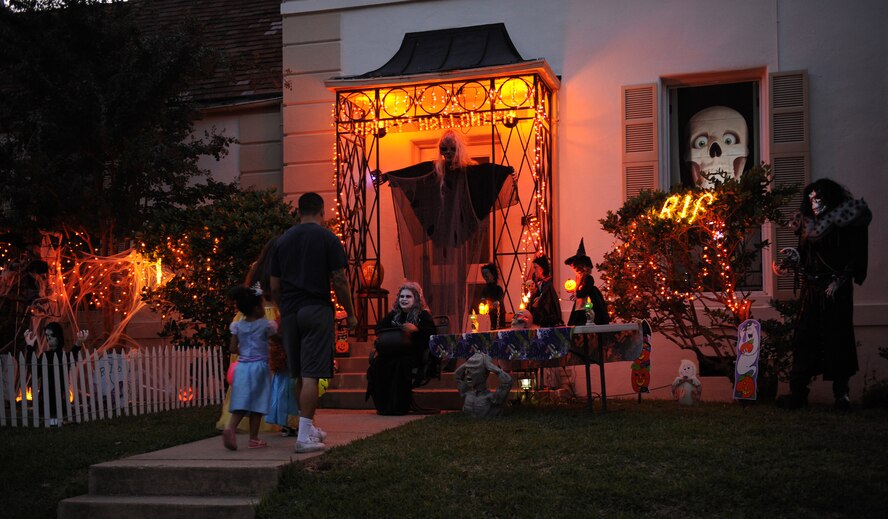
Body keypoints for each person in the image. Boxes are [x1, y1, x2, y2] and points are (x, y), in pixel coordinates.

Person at [375, 129, 516, 332]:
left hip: (459, 227)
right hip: (442, 228)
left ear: (458, 149)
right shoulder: (435, 171)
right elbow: (416, 172)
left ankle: (458, 331)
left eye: (452, 149)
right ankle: (439, 328)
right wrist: (392, 176)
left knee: (459, 280)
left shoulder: (467, 172)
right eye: (444, 149)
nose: (447, 154)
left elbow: (486, 173)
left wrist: (504, 171)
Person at [269, 192, 357, 454]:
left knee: (297, 373)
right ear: (322, 212)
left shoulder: (282, 241)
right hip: (316, 309)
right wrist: (350, 313)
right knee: (311, 374)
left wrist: (281, 308)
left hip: (291, 312)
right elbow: (339, 279)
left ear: (298, 212)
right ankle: (304, 437)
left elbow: (275, 284)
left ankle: (308, 428)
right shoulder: (328, 238)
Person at [777, 178, 871, 411]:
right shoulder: (808, 223)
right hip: (812, 289)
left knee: (838, 339)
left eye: (819, 198)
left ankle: (842, 396)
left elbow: (855, 256)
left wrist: (840, 281)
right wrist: (787, 263)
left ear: (830, 199)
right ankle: (798, 393)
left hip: (835, 290)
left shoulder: (847, 220)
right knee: (804, 338)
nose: (815, 203)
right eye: (811, 199)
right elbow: (802, 252)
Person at [216, 237, 280, 433]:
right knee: (272, 372)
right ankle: (270, 418)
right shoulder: (280, 268)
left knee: (245, 375)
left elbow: (253, 293)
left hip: (247, 318)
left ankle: (237, 418)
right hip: (269, 315)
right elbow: (277, 294)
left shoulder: (255, 268)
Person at [366, 281, 440, 415]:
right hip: (392, 352)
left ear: (416, 299)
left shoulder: (422, 315)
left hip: (413, 354)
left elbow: (431, 336)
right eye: (402, 296)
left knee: (400, 364)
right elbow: (380, 329)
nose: (404, 299)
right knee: (378, 365)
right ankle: (385, 406)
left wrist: (415, 330)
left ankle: (399, 406)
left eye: (408, 296)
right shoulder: (393, 315)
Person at [222, 285, 276, 451]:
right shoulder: (266, 325)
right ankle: (253, 438)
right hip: (259, 367)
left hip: (242, 367)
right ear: (256, 308)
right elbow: (275, 340)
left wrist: (244, 351)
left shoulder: (238, 326)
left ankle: (231, 427)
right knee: (258, 403)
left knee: (243, 400)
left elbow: (232, 348)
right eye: (261, 305)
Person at [24, 322, 88, 423]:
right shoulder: (44, 356)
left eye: (52, 335)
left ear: (58, 336)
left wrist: (79, 343)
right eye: (47, 335)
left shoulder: (64, 356)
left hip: (61, 399)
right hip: (45, 399)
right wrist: (30, 346)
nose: (49, 338)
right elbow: (35, 371)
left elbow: (72, 355)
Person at [564, 239, 610, 326]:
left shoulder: (588, 278)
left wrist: (577, 293)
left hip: (588, 304)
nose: (573, 269)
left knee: (588, 317)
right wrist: (574, 291)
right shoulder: (579, 279)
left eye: (574, 267)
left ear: (580, 267)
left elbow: (585, 290)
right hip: (580, 305)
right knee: (578, 320)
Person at [265, 333, 299, 436]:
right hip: (285, 368)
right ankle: (289, 424)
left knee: (285, 397)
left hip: (287, 368)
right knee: (286, 396)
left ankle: (291, 424)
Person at [528, 255, 563, 328]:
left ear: (542, 269)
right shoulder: (539, 284)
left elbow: (546, 299)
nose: (535, 271)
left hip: (547, 318)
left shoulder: (548, 284)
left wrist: (539, 300)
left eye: (536, 268)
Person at [480, 263, 507, 330]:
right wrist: (483, 300)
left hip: (499, 311)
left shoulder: (498, 288)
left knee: (500, 324)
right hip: (491, 310)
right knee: (492, 322)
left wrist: (497, 301)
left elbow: (500, 296)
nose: (485, 277)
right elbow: (483, 296)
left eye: (487, 275)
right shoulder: (485, 289)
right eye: (484, 276)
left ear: (493, 275)